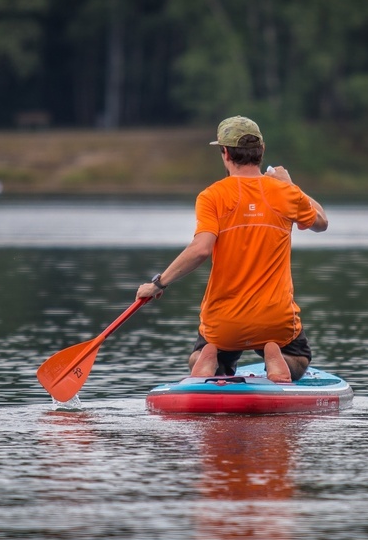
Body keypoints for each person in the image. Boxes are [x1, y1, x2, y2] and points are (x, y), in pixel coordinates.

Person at [136, 115, 328, 381]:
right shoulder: (286, 193)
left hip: (223, 322)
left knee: (208, 347)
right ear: (261, 152)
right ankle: (280, 359)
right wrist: (291, 185)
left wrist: (159, 283)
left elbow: (201, 249)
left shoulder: (212, 195)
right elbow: (321, 223)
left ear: (225, 153)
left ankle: (210, 361)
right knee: (299, 359)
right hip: (274, 319)